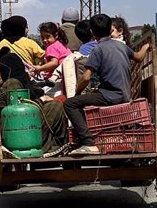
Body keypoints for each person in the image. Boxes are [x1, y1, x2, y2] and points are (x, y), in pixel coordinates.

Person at [64, 14, 150, 156]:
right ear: (110, 30)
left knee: (70, 104)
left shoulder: (98, 49)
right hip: (125, 94)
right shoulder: (121, 46)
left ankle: (88, 143)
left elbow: (86, 77)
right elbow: (139, 58)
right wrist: (146, 46)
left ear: (92, 32)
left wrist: (77, 93)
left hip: (110, 96)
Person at [0, 46, 67, 153]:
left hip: (32, 126)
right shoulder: (12, 84)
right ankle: (46, 147)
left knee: (56, 104)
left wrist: (30, 79)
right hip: (21, 132)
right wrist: (41, 101)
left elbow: (37, 92)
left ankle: (57, 145)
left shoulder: (24, 81)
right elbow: (20, 113)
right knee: (54, 107)